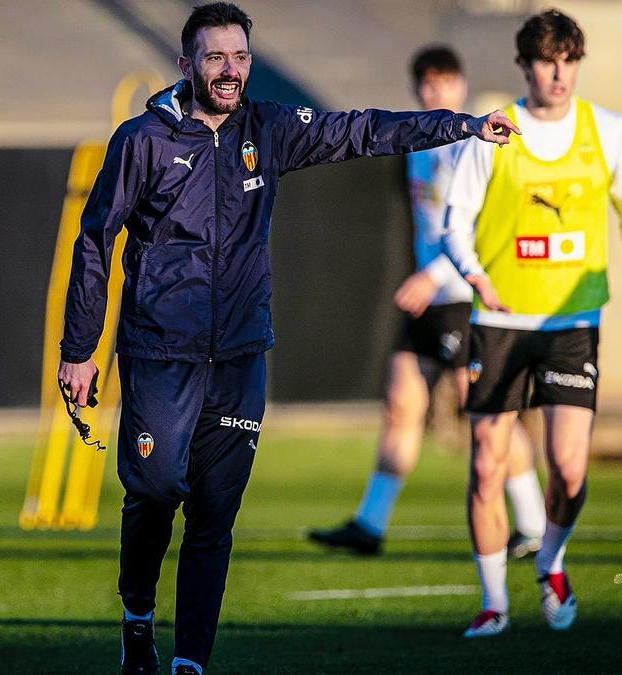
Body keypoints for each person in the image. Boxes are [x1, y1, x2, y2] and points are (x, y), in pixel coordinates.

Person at [55, 4, 518, 672]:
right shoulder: (143, 140)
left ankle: (189, 661)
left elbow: (362, 130)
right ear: (187, 65)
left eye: (240, 57)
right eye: (215, 57)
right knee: (156, 488)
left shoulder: (268, 128)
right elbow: (95, 240)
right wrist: (79, 348)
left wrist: (462, 125)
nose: (230, 70)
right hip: (160, 351)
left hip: (241, 353)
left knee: (214, 512)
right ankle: (136, 618)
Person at [441, 10, 622, 638]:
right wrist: (474, 273)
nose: (560, 73)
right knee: (487, 464)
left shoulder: (606, 131)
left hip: (573, 322)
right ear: (525, 65)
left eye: (569, 60)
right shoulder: (496, 132)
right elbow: (453, 222)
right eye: (547, 60)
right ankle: (493, 600)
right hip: (499, 322)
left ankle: (550, 561)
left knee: (570, 468)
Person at [308, 46, 546, 559]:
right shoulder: (419, 143)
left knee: (486, 413)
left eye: (445, 83)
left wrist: (434, 273)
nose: (436, 94)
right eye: (427, 86)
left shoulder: (477, 142)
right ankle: (370, 525)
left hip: (462, 297)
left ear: (460, 86)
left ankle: (533, 522)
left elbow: (484, 230)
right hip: (428, 302)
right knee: (402, 406)